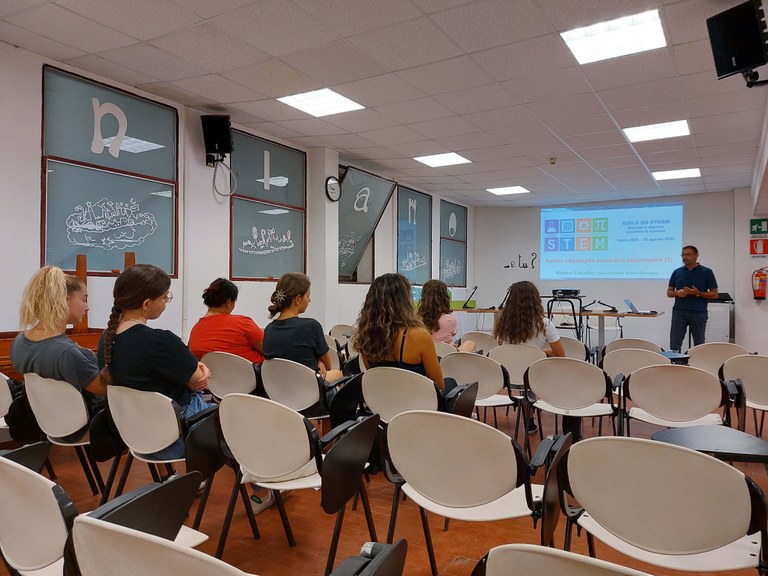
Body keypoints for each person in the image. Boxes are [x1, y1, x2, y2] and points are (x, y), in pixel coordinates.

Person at [97, 264, 214, 459]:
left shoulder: (106, 340)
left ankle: (198, 478)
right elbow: (197, 382)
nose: (166, 302)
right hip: (176, 433)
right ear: (146, 304)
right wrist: (201, 368)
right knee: (237, 418)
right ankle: (259, 484)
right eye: (165, 297)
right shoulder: (160, 341)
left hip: (134, 433)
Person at [11, 266, 107, 415]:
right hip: (82, 426)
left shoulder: (19, 342)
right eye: (83, 299)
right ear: (66, 298)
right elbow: (107, 390)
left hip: (47, 421)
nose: (87, 307)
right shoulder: (67, 353)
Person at [493, 281, 565, 435]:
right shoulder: (544, 324)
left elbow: (503, 349)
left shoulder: (503, 323)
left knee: (524, 364)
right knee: (532, 367)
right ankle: (529, 418)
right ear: (535, 300)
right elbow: (560, 354)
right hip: (534, 377)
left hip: (509, 376)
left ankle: (528, 416)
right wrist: (538, 352)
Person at [354, 273, 444, 390]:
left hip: (381, 403)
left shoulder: (367, 335)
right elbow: (439, 386)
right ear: (404, 302)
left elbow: (372, 373)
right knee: (450, 382)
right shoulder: (420, 335)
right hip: (416, 404)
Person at [263, 272, 343, 382]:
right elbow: (328, 366)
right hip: (308, 389)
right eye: (308, 296)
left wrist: (318, 361)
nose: (309, 300)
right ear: (298, 299)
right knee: (338, 374)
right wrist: (320, 362)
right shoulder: (311, 326)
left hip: (279, 389)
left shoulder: (269, 330)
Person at [188, 278, 265, 364]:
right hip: (252, 375)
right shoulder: (243, 323)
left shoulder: (195, 331)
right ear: (228, 303)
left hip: (214, 377)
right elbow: (269, 350)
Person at [667, 245, 718, 351]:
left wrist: (697, 293)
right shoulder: (677, 272)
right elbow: (669, 293)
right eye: (683, 255)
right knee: (675, 343)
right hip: (679, 312)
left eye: (688, 254)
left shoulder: (706, 272)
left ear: (696, 255)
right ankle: (676, 365)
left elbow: (714, 294)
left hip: (698, 312)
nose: (685, 257)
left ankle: (697, 365)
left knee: (699, 343)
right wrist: (677, 293)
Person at [417, 279, 476, 353]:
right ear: (445, 297)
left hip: (425, 354)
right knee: (470, 343)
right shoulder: (450, 319)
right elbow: (453, 335)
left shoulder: (416, 318)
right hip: (446, 356)